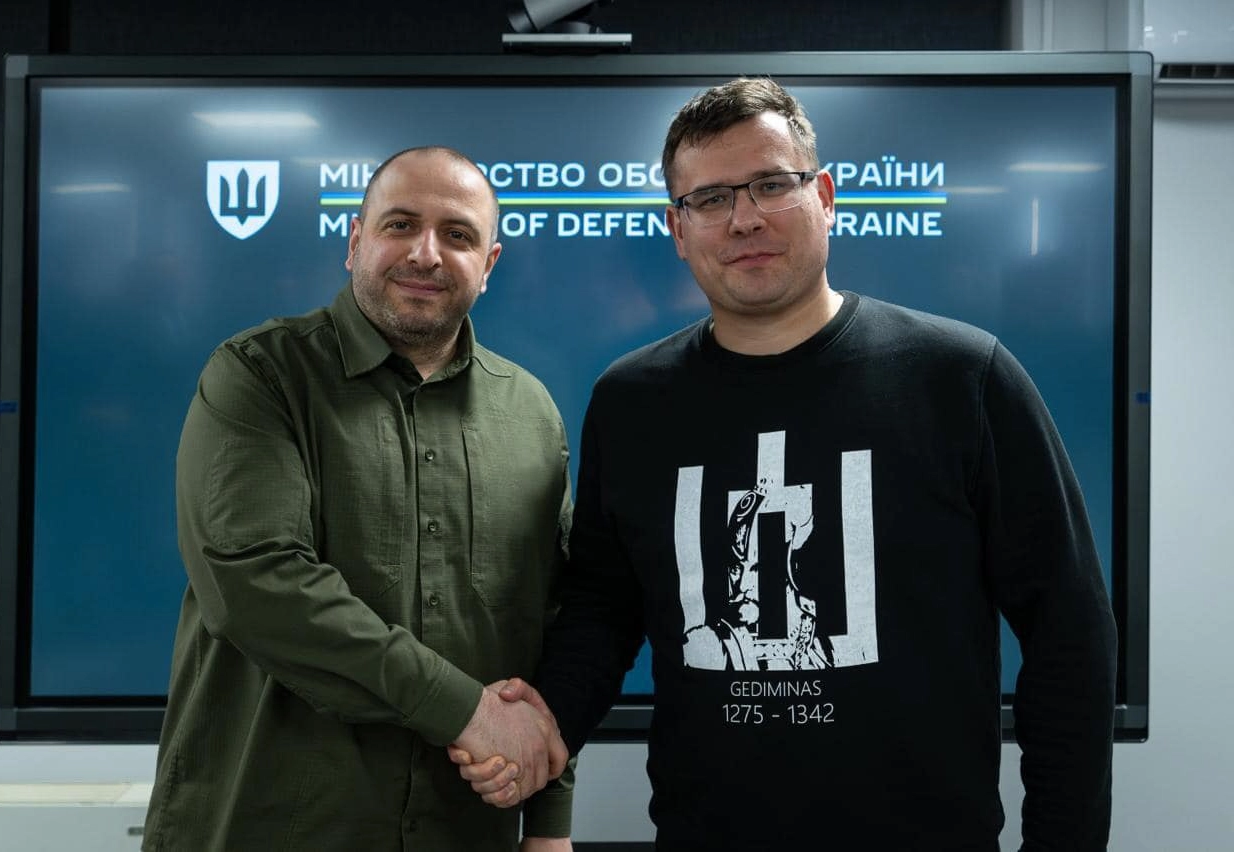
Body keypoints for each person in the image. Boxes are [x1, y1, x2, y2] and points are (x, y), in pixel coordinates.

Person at [454, 79, 1117, 850]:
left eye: (772, 184)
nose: (744, 218)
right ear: (678, 229)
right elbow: (605, 607)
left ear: (824, 197)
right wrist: (545, 721)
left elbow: (1069, 631)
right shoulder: (631, 402)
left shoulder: (962, 378)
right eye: (710, 199)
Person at [142, 145, 573, 852]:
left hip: (464, 831)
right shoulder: (259, 375)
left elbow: (553, 620)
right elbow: (257, 581)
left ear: (489, 264)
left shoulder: (530, 412)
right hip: (266, 827)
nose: (426, 254)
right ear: (354, 243)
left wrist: (550, 820)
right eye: (400, 225)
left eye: (457, 235)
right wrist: (465, 710)